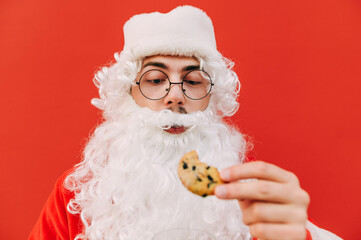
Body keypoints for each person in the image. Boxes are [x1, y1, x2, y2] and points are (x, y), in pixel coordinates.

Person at [29, 6, 342, 240]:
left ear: (211, 97)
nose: (175, 97)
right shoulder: (78, 193)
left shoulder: (247, 189)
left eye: (193, 81)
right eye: (154, 79)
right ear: (128, 93)